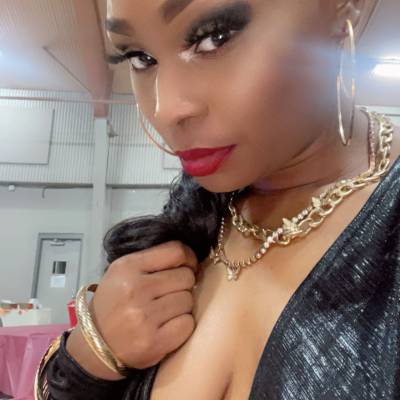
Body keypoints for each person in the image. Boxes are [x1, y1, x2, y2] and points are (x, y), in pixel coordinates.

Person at [36, 0, 400, 399]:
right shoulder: (195, 217)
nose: (166, 109)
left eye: (214, 37)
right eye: (140, 57)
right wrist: (93, 355)